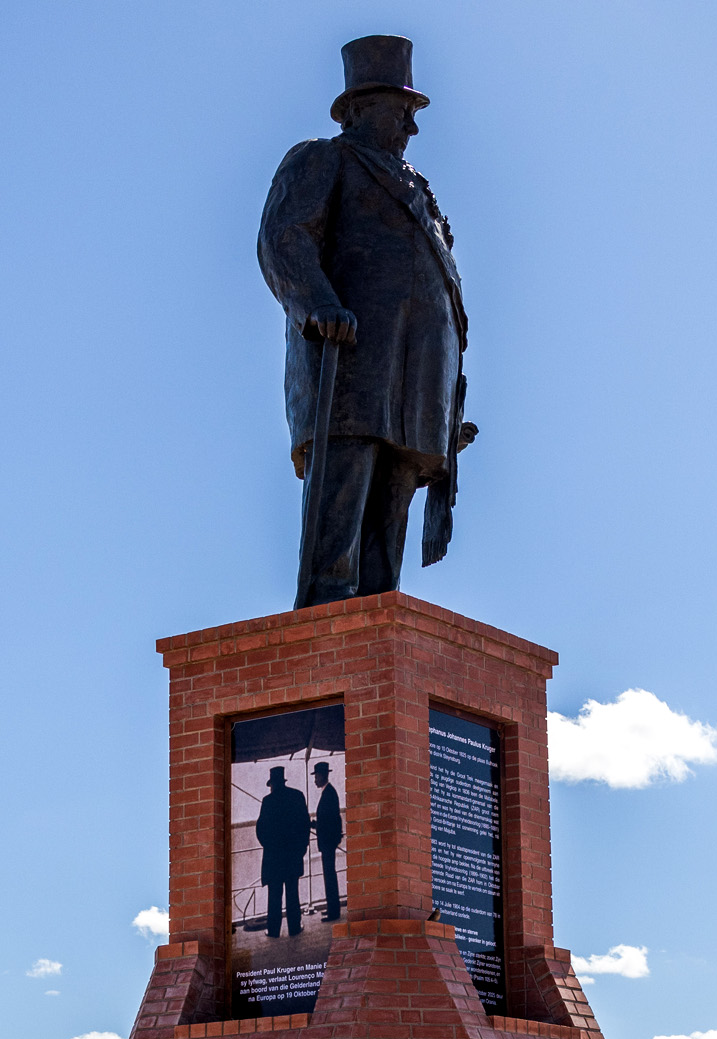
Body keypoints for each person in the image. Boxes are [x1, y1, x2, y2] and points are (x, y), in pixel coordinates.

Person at [258, 35, 476, 609]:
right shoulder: (323, 158)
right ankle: (327, 618)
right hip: (352, 362)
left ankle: (378, 618)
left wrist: (451, 407)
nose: (412, 128)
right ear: (356, 109)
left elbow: (444, 292)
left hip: (417, 380)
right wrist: (317, 302)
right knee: (343, 492)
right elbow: (286, 238)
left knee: (393, 504)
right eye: (400, 112)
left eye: (413, 113)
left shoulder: (421, 192)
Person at [254, 766, 312, 937]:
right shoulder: (297, 796)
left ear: (272, 784)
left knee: (274, 895)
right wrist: (301, 849)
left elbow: (260, 830)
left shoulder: (268, 801)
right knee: (293, 893)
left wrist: (269, 847)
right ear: (283, 781)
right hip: (293, 855)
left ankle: (273, 930)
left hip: (274, 857)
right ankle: (294, 927)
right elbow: (305, 825)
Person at [310, 760, 346, 922]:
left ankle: (334, 912)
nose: (315, 780)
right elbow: (330, 820)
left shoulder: (329, 794)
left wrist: (314, 825)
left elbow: (332, 820)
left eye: (316, 776)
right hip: (328, 841)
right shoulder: (329, 792)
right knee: (329, 875)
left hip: (327, 842)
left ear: (323, 775)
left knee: (329, 876)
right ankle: (332, 908)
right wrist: (314, 824)